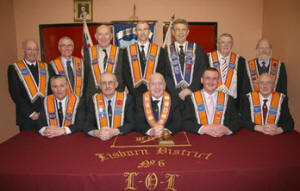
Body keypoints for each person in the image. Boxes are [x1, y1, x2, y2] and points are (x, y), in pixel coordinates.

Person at [183, 68, 240, 137]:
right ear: (202, 80)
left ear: (218, 81)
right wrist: (203, 129)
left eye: (214, 79)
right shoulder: (190, 99)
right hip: (199, 139)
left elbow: (237, 121)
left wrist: (227, 129)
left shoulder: (228, 99)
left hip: (222, 139)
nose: (211, 82)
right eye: (208, 78)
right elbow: (185, 122)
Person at [8, 40, 49, 131]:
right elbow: (15, 94)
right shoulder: (15, 68)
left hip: (45, 115)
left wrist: (46, 111)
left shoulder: (45, 67)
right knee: (28, 144)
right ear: (24, 50)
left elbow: (49, 91)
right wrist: (30, 113)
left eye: (35, 49)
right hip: (26, 117)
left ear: (38, 51)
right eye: (29, 49)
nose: (32, 52)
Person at [164, 18, 209, 101]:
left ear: (188, 32)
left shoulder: (198, 49)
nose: (181, 32)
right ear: (173, 32)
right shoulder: (165, 52)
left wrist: (190, 89)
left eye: (183, 30)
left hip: (193, 95)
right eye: (177, 30)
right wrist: (177, 92)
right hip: (173, 97)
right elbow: (165, 75)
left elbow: (202, 71)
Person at [84, 72, 135, 141]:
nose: (107, 86)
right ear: (100, 85)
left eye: (110, 82)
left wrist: (114, 131)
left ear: (116, 84)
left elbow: (132, 123)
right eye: (104, 83)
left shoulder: (127, 99)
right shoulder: (93, 100)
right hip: (100, 140)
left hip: (121, 139)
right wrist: (97, 133)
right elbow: (87, 124)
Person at [123, 21, 165, 97]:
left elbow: (162, 71)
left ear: (149, 32)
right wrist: (134, 91)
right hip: (133, 94)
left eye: (145, 29)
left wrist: (154, 90)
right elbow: (126, 74)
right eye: (139, 29)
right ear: (136, 32)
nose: (142, 32)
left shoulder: (160, 51)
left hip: (154, 93)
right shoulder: (127, 51)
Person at [86, 25, 124, 98]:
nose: (103, 37)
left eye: (106, 34)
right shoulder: (88, 53)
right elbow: (85, 78)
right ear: (96, 36)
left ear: (111, 36)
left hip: (116, 96)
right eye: (100, 34)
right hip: (93, 97)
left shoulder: (121, 52)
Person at [207, 33, 246, 101]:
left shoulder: (240, 61)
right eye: (222, 42)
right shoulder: (207, 58)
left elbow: (243, 84)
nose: (226, 45)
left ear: (232, 45)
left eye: (229, 42)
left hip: (233, 102)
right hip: (211, 99)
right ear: (217, 44)